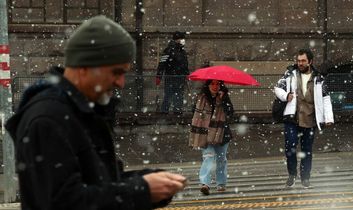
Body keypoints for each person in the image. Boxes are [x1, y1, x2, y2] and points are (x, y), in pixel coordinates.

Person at [6, 15, 186, 210]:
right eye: (116, 72)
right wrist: (142, 189)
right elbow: (65, 202)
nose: (121, 83)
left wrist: (148, 182)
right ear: (84, 68)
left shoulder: (79, 111)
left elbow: (101, 183)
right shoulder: (49, 118)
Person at [274, 48, 334, 189]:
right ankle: (292, 174)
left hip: (310, 120)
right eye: (299, 60)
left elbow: (326, 98)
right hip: (292, 119)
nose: (300, 63)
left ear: (310, 62)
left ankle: (305, 178)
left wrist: (329, 117)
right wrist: (285, 95)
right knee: (290, 148)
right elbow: (277, 88)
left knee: (307, 151)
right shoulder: (290, 74)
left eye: (303, 61)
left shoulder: (319, 78)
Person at [189, 80, 234, 195]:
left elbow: (230, 113)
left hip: (222, 133)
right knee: (208, 157)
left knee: (221, 160)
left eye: (217, 84)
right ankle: (205, 183)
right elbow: (194, 112)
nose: (215, 86)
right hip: (205, 133)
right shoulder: (202, 98)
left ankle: (221, 183)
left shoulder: (224, 97)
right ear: (208, 85)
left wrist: (223, 100)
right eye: (212, 84)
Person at [156, 31, 189, 114]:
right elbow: (162, 64)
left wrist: (187, 74)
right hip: (170, 77)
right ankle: (164, 111)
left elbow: (185, 64)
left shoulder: (182, 52)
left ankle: (177, 111)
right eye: (182, 39)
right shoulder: (168, 50)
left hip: (180, 77)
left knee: (179, 95)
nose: (183, 41)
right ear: (176, 40)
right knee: (168, 94)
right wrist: (159, 76)